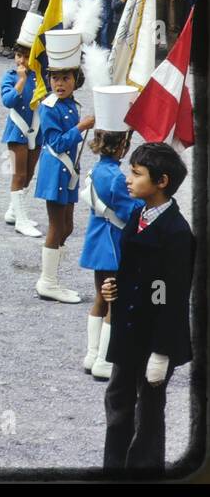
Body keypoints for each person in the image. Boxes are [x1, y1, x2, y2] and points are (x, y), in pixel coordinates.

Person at [100, 143, 193, 475]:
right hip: (129, 331)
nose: (129, 179)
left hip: (155, 336)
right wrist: (115, 289)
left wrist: (162, 351)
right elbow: (131, 269)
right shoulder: (139, 215)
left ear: (162, 181)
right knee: (118, 401)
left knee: (149, 412)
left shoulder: (177, 234)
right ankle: (114, 468)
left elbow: (171, 297)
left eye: (137, 174)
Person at [79, 90, 142, 383]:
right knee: (114, 303)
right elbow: (130, 211)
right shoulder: (117, 178)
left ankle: (92, 354)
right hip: (113, 245)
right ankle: (105, 360)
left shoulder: (97, 170)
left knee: (99, 299)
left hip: (96, 243)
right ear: (122, 147)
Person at [33, 34, 94, 303]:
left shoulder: (71, 104)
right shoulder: (49, 107)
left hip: (68, 171)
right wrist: (81, 128)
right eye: (55, 78)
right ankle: (48, 281)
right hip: (55, 170)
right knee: (57, 226)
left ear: (75, 80)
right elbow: (56, 142)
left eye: (65, 78)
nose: (59, 83)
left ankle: (53, 270)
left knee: (68, 226)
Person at [1, 19, 43, 236]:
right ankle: (21, 220)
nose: (22, 60)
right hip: (17, 130)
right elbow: (7, 101)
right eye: (19, 55)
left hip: (37, 130)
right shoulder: (10, 76)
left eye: (27, 56)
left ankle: (14, 211)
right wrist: (20, 81)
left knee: (29, 173)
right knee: (18, 174)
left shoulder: (41, 78)